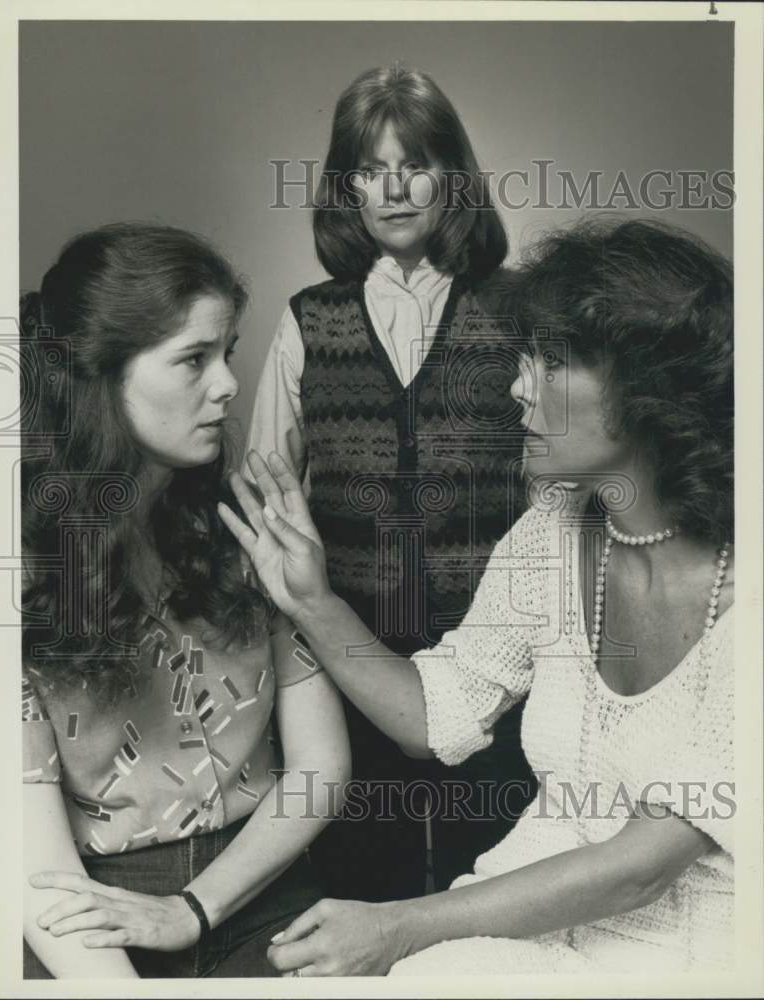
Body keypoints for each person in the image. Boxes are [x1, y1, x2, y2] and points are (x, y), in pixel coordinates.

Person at [220, 218, 735, 975]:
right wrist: (313, 602)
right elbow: (430, 720)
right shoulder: (551, 534)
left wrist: (399, 927)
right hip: (516, 924)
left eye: (551, 362)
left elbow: (642, 867)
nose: (516, 384)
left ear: (647, 389)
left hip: (696, 955)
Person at [20, 222, 349, 979]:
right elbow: (37, 869)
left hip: (260, 889)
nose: (229, 384)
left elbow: (320, 767)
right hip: (85, 912)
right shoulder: (25, 574)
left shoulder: (247, 532)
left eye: (225, 353)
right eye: (193, 359)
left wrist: (196, 907)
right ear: (99, 377)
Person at [246, 63, 535, 902]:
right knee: (362, 886)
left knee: (493, 884)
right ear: (347, 190)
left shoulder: (517, 312)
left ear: (455, 178)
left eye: (415, 164)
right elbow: (266, 494)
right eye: (370, 169)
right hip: (349, 652)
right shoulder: (309, 320)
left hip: (497, 655)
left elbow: (562, 492)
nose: (395, 188)